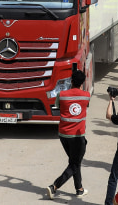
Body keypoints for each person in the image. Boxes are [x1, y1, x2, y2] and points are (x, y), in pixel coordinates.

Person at [46, 68, 90, 200]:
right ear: (82, 82)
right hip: (77, 136)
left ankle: (79, 189)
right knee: (75, 164)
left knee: (74, 161)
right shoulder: (86, 95)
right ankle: (54, 186)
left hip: (63, 134)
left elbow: (57, 106)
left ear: (71, 81)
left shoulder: (62, 94)